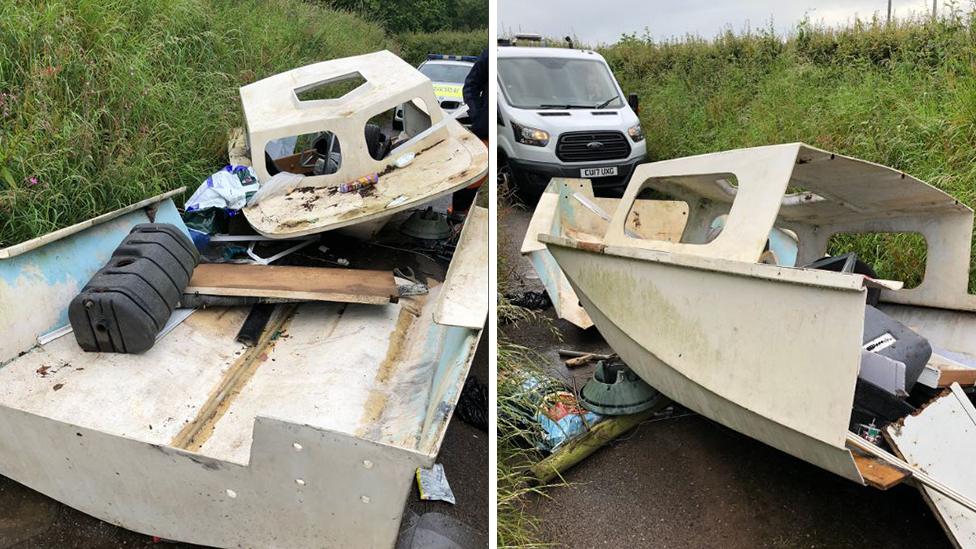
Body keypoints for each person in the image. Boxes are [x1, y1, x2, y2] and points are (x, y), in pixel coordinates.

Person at [451, 48, 488, 214]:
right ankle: (458, 217)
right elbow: (470, 86)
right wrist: (478, 115)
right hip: (486, 129)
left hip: (522, 131)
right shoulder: (491, 54)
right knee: (471, 176)